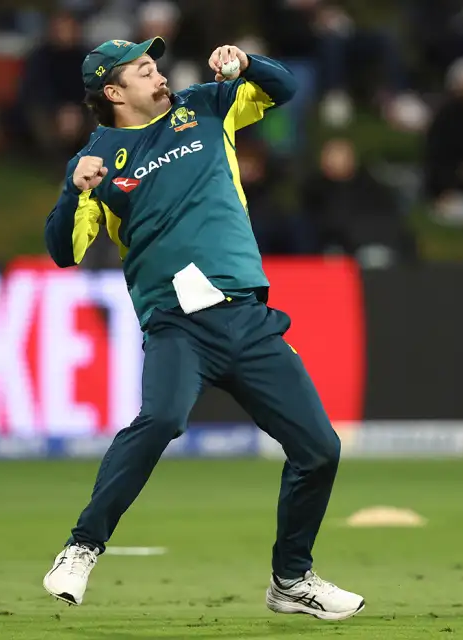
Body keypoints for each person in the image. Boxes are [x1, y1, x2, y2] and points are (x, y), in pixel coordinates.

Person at [41, 37, 365, 621]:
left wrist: (248, 63)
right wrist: (73, 189)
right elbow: (65, 252)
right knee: (162, 418)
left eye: (155, 64)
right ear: (113, 92)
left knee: (320, 449)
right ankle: (81, 547)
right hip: (177, 324)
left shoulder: (207, 105)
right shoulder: (99, 157)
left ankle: (291, 579)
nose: (157, 73)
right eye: (143, 70)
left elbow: (283, 88)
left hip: (246, 315)